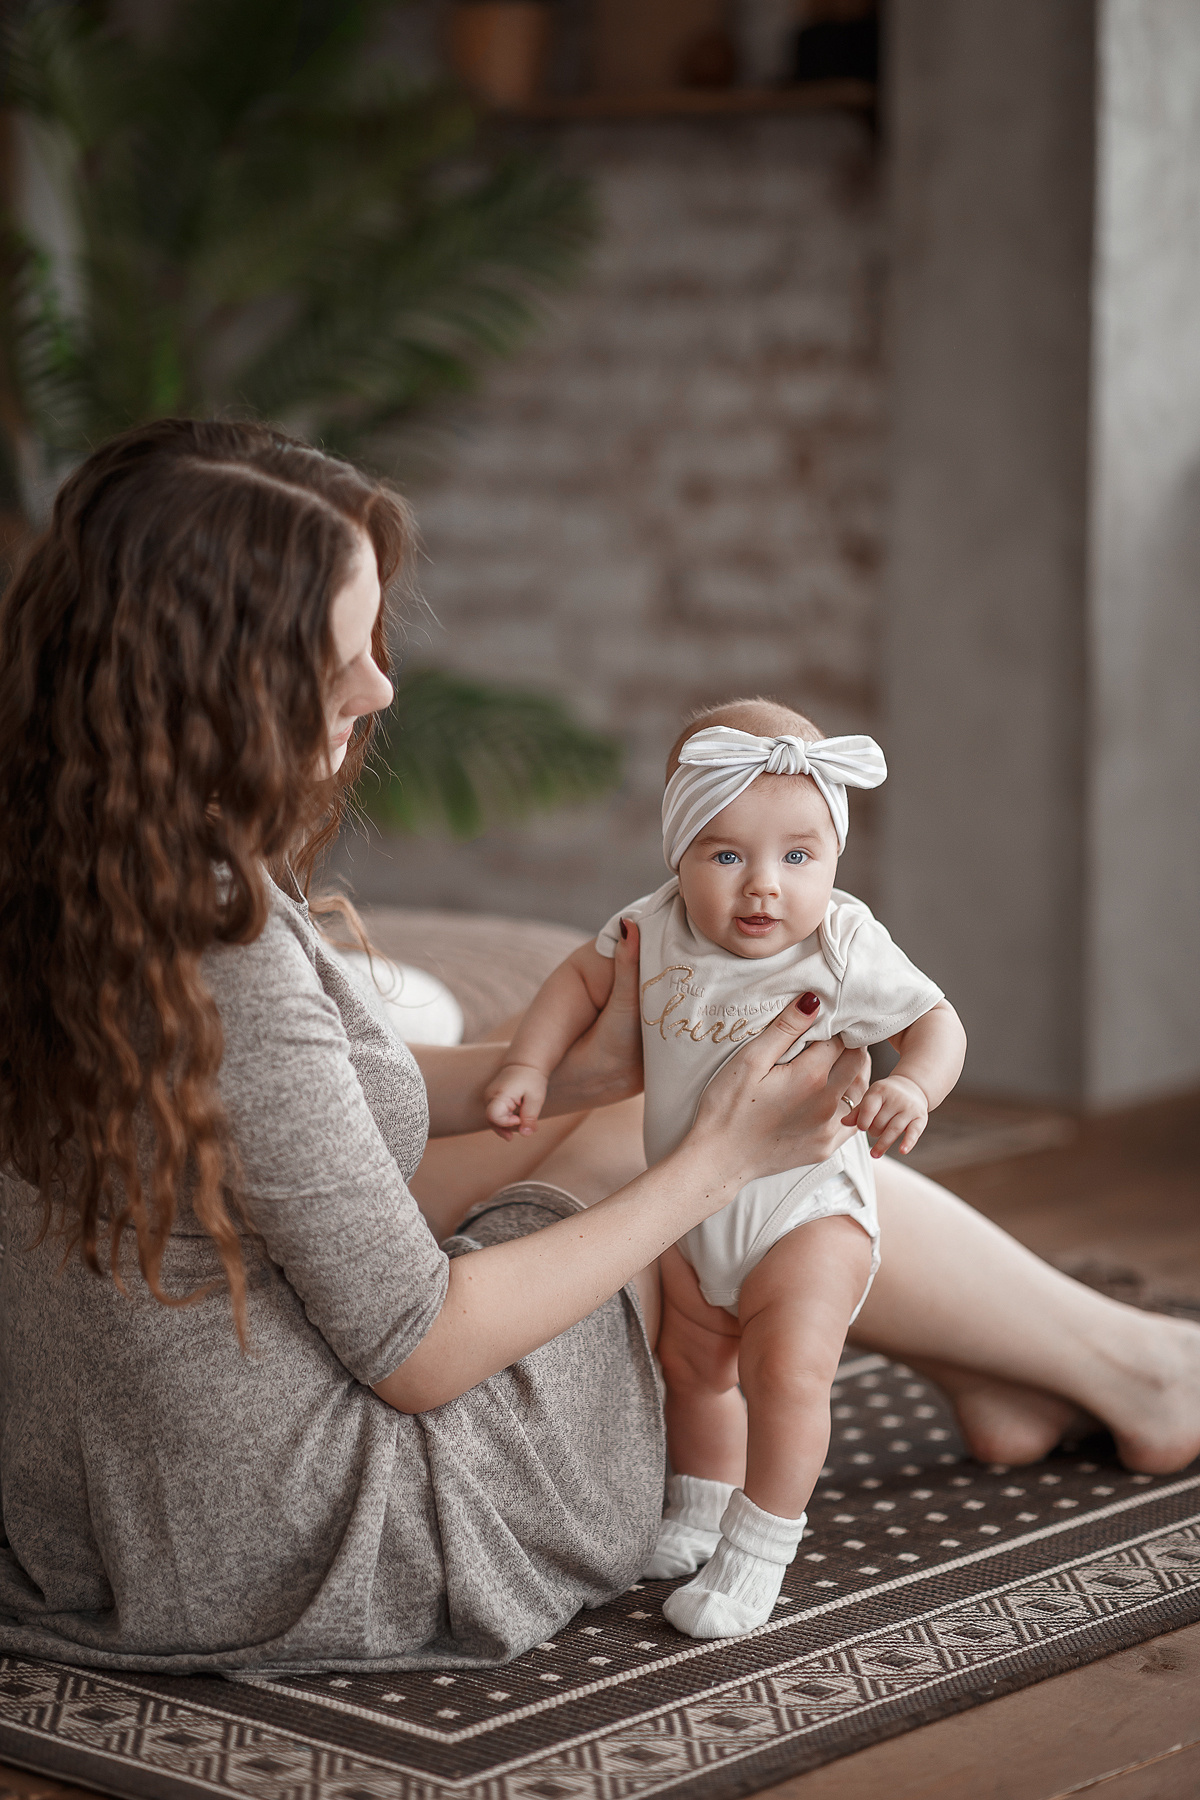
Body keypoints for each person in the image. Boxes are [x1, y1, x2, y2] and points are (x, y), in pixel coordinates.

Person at [0, 421, 1196, 1677]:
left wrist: (578, 1069)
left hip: (115, 1463)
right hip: (295, 1520)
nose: (379, 688)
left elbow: (302, 1110)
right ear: (202, 680)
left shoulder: (97, 849)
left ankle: (1034, 1370)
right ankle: (1145, 1370)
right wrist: (720, 1158)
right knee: (679, 1147)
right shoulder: (218, 946)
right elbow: (419, 1354)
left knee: (635, 1107)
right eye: (336, 657)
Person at [485, 699, 968, 1638]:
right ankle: (700, 1512)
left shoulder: (843, 943)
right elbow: (574, 985)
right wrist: (525, 1064)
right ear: (677, 854)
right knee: (694, 1368)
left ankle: (758, 1549)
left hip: (805, 1206)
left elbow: (936, 1020)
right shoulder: (652, 928)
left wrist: (917, 1086)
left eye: (799, 857)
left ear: (833, 860)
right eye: (726, 855)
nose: (763, 888)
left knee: (787, 1374)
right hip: (689, 1209)